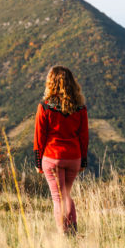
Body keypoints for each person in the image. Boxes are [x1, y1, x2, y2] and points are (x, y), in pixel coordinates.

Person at [33, 66, 89, 235]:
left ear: (50, 83)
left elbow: (39, 137)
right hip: (74, 157)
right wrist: (83, 161)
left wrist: (37, 162)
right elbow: (84, 137)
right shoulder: (80, 109)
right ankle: (73, 230)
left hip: (52, 157)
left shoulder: (45, 107)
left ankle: (64, 234)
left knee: (58, 198)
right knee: (66, 195)